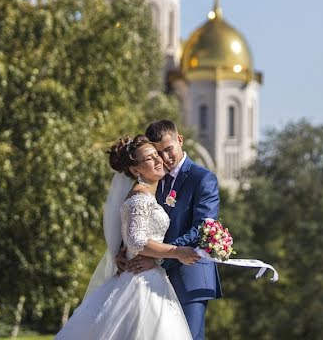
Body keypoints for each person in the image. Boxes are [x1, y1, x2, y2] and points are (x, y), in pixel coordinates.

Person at [56, 135, 199, 340]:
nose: (158, 159)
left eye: (156, 154)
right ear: (135, 170)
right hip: (140, 282)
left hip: (152, 276)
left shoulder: (149, 194)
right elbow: (136, 240)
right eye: (149, 158)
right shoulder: (139, 197)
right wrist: (177, 252)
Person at [118, 120, 222, 340]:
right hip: (151, 276)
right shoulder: (153, 178)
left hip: (189, 275)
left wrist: (158, 259)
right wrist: (125, 250)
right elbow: (140, 220)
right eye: (158, 153)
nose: (164, 158)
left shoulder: (202, 178)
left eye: (168, 150)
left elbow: (202, 228)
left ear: (180, 140)